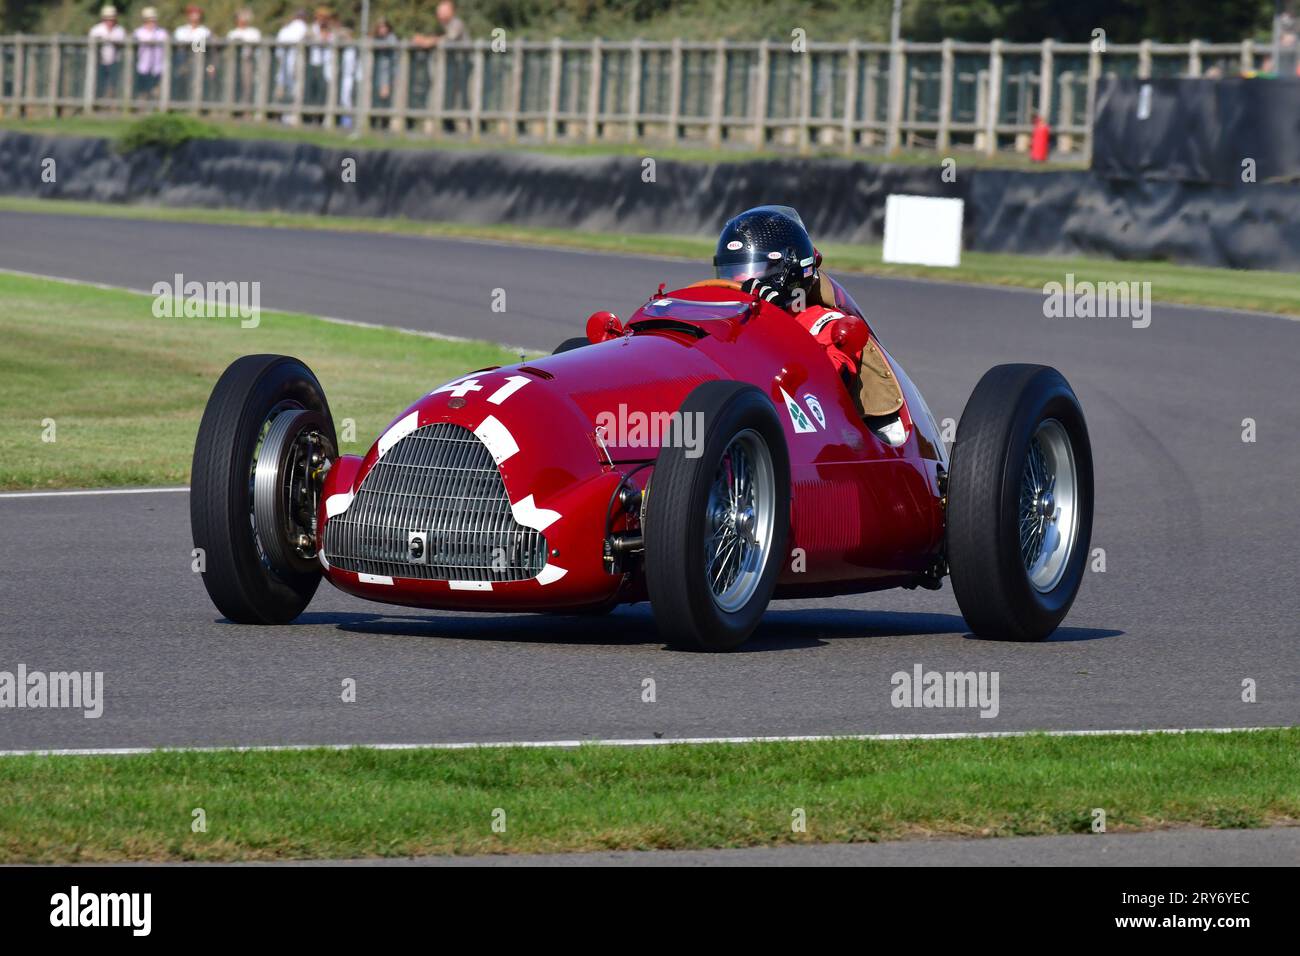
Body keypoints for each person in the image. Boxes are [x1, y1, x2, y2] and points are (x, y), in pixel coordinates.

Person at [713, 206, 905, 429]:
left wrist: (774, 323)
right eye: (730, 273)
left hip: (813, 437)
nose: (740, 284)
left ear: (790, 272)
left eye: (753, 272)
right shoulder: (729, 320)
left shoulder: (826, 325)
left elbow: (821, 390)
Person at [88, 5, 126, 100]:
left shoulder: (120, 30)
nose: (110, 21)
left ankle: (112, 105)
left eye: (112, 19)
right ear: (103, 18)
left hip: (115, 62)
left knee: (114, 85)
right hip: (99, 62)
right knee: (99, 84)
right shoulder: (96, 30)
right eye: (107, 19)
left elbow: (123, 45)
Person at [274, 9, 309, 110]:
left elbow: (278, 52)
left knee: (283, 85)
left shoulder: (285, 29)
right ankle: (293, 112)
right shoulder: (302, 27)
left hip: (284, 61)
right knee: (295, 87)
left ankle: (279, 111)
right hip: (296, 60)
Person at [226, 8, 262, 105]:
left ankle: (246, 108)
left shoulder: (254, 32)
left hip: (248, 61)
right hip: (233, 62)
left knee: (247, 84)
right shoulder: (232, 33)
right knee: (232, 83)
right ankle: (231, 105)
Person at [132, 7, 167, 100]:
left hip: (158, 67)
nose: (152, 22)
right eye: (149, 19)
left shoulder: (162, 33)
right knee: (143, 90)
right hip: (143, 66)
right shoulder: (138, 33)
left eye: (153, 19)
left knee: (155, 91)